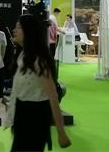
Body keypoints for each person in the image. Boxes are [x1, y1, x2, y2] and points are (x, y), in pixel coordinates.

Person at [6, 14, 71, 152]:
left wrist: (61, 132)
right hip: (22, 116)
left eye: (19, 27)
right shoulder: (23, 56)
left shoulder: (39, 61)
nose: (14, 30)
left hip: (35, 119)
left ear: (28, 31)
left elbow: (53, 96)